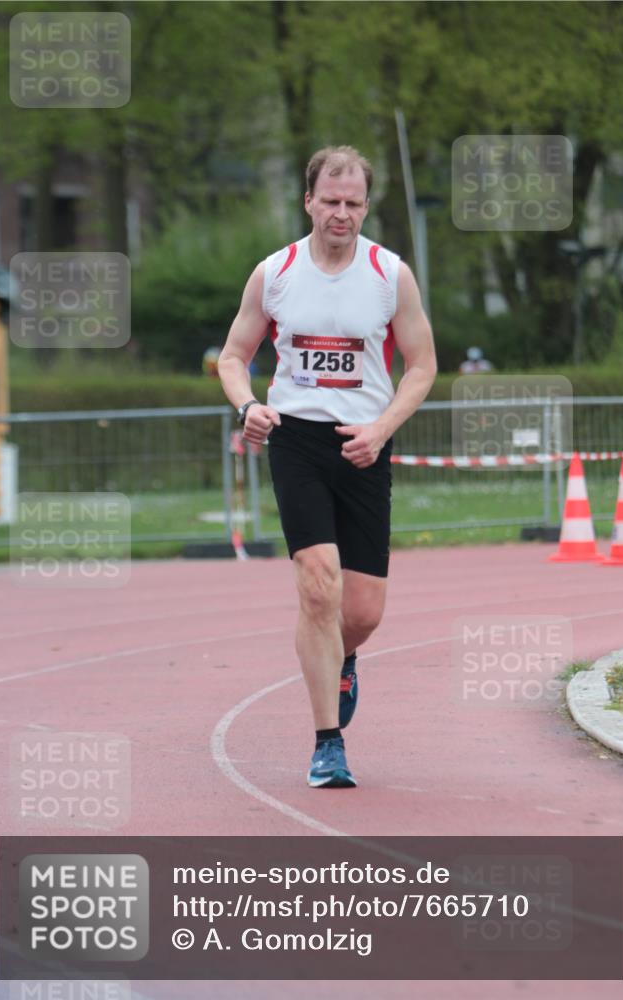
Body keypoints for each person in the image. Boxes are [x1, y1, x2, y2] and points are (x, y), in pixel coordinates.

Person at [218, 145, 437, 788]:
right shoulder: (276, 272)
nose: (341, 213)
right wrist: (248, 406)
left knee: (362, 611)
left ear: (366, 206)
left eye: (353, 203)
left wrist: (381, 429)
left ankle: (343, 658)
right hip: (296, 440)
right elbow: (234, 355)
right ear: (308, 200)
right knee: (319, 585)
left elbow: (422, 365)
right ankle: (326, 743)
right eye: (330, 201)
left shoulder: (389, 274)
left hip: (363, 442)